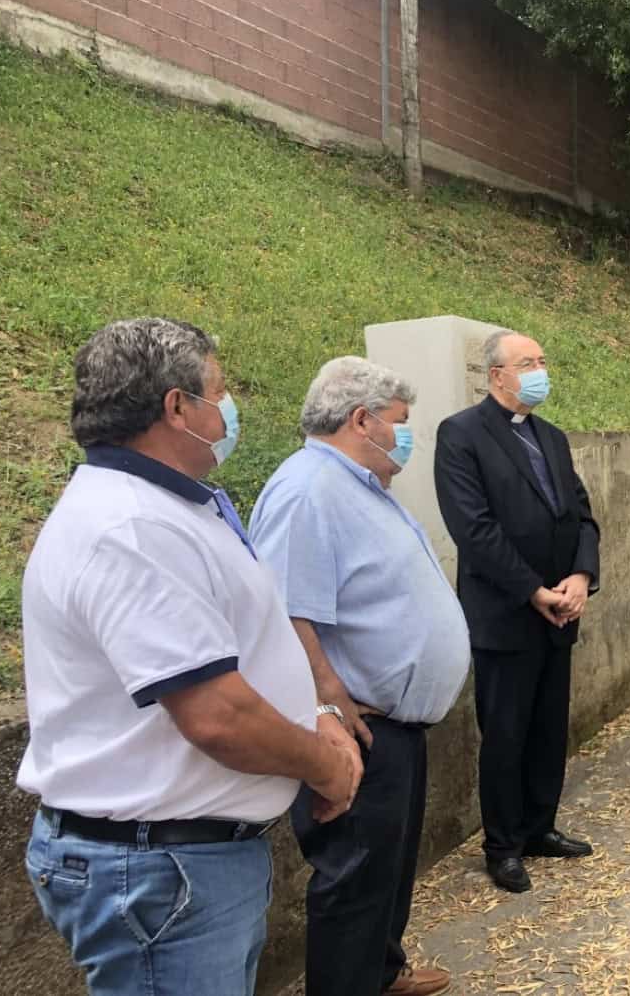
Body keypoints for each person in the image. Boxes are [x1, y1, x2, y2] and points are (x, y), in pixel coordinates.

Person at [17, 318, 362, 996]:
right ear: (178, 407)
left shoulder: (165, 508)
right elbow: (217, 717)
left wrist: (315, 712)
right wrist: (327, 765)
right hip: (157, 869)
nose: (229, 410)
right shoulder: (135, 528)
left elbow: (241, 647)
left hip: (177, 862)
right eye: (219, 392)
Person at [249, 357, 471, 996]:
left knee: (386, 870)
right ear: (361, 419)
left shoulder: (358, 485)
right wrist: (330, 701)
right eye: (401, 423)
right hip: (359, 728)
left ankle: (381, 972)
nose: (407, 435)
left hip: (395, 725)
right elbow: (287, 612)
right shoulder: (307, 491)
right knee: (352, 880)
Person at [433, 330, 600, 894]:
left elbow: (582, 515)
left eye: (543, 360)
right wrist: (534, 590)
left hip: (562, 608)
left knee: (549, 728)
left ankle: (539, 826)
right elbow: (473, 530)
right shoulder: (461, 435)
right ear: (496, 375)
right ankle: (502, 845)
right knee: (505, 733)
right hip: (507, 612)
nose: (539, 370)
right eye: (528, 362)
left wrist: (580, 576)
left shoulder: (551, 437)